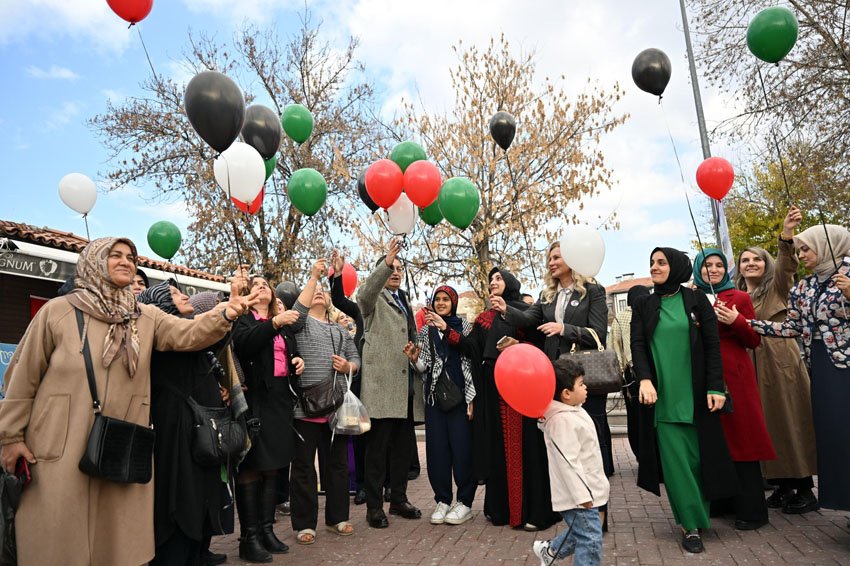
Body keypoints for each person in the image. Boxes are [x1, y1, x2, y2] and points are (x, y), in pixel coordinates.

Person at [0, 237, 257, 565]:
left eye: (131, 257)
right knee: (60, 539)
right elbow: (22, 378)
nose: (125, 261)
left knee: (114, 542)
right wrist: (10, 437)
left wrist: (225, 314)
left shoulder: (145, 317)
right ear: (93, 261)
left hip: (121, 446)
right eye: (114, 255)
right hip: (58, 445)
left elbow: (188, 334)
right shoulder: (58, 312)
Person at [493, 242, 612, 529]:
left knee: (588, 450)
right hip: (552, 381)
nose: (551, 262)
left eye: (556, 257)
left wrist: (564, 329)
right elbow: (529, 320)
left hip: (583, 381)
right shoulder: (547, 296)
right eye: (549, 258)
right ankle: (564, 511)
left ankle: (599, 517)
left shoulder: (593, 291)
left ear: (572, 258)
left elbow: (598, 335)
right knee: (558, 448)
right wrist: (506, 309)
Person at [630, 247, 737, 553]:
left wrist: (716, 387)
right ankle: (690, 526)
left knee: (697, 462)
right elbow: (637, 344)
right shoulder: (643, 304)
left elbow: (713, 345)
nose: (654, 267)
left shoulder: (696, 300)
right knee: (677, 466)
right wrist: (645, 380)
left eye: (661, 262)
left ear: (676, 266)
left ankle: (698, 515)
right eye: (651, 262)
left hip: (698, 396)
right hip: (661, 399)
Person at [748, 223, 850, 513]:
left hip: (846, 366)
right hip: (820, 365)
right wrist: (745, 323)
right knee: (834, 435)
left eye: (807, 248)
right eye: (799, 248)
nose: (802, 253)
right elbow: (791, 326)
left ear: (828, 245)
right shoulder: (805, 286)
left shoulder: (847, 273)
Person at [734, 207, 818, 514]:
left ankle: (805, 488)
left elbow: (786, 265)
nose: (751, 263)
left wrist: (786, 236)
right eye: (745, 259)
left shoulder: (778, 288)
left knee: (790, 422)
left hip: (779, 362)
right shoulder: (738, 296)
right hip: (752, 366)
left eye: (757, 258)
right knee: (767, 426)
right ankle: (782, 486)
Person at [139, 281, 230, 565]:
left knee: (200, 498)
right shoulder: (163, 335)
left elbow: (212, 339)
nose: (185, 295)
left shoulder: (190, 330)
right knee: (180, 503)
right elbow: (198, 336)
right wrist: (227, 314)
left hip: (197, 432)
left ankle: (196, 553)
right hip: (176, 433)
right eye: (176, 294)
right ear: (161, 304)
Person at [232, 270, 316, 562]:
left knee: (273, 468)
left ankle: (267, 530)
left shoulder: (282, 326)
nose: (262, 288)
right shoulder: (244, 320)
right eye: (255, 285)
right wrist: (275, 322)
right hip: (255, 402)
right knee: (252, 467)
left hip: (280, 402)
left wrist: (297, 361)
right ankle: (249, 537)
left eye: (265, 284)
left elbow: (282, 355)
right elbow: (246, 344)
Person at [471, 267, 559, 531]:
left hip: (525, 391)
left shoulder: (525, 310)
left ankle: (534, 511)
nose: (494, 282)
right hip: (496, 391)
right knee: (501, 448)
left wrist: (518, 348)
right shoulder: (486, 318)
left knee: (529, 448)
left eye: (499, 278)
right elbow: (477, 352)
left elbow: (539, 347)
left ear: (510, 283)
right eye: (491, 280)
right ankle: (503, 510)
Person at [693, 249, 775, 530]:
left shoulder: (738, 298)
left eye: (719, 265)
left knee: (742, 438)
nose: (713, 270)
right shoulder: (690, 299)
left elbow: (754, 340)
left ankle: (753, 510)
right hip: (703, 377)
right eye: (707, 265)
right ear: (697, 269)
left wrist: (736, 321)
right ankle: (723, 502)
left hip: (735, 377)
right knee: (718, 441)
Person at [356, 237, 424, 529]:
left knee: (401, 451)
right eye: (391, 269)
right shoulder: (373, 301)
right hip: (381, 388)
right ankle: (374, 507)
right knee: (377, 452)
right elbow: (364, 294)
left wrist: (415, 352)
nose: (396, 272)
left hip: (405, 386)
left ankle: (398, 499)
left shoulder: (405, 300)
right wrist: (385, 261)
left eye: (399, 269)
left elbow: (411, 336)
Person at [289, 279, 360, 545]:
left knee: (338, 466)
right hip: (304, 410)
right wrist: (313, 278)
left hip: (336, 410)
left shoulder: (341, 331)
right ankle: (305, 525)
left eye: (323, 291)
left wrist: (348, 367)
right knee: (304, 468)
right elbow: (298, 307)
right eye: (314, 292)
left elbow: (356, 358)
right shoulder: (299, 324)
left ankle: (337, 518)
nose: (319, 293)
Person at [405, 285, 477, 526]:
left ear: (453, 303)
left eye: (446, 299)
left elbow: (470, 353)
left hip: (461, 396)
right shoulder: (425, 332)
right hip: (435, 398)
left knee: (463, 451)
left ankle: (465, 502)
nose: (441, 303)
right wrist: (415, 360)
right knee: (437, 452)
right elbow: (425, 367)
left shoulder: (464, 327)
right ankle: (443, 500)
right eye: (437, 299)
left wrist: (446, 329)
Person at [533, 359, 608, 566]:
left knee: (583, 532)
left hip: (586, 490)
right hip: (577, 495)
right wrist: (581, 496)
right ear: (566, 393)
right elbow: (568, 463)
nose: (586, 388)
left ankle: (551, 550)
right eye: (582, 384)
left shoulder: (573, 410)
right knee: (591, 538)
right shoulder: (562, 420)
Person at [329, 252, 369, 506]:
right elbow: (339, 300)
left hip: (384, 382)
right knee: (362, 438)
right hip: (359, 381)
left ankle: (386, 485)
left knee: (384, 440)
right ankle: (363, 485)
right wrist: (338, 274)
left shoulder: (398, 309)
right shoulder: (361, 312)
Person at [609, 285, 650, 460]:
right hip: (653, 371)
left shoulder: (620, 317)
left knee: (635, 418)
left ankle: (641, 455)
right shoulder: (652, 313)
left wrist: (618, 370)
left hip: (631, 375)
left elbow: (613, 346)